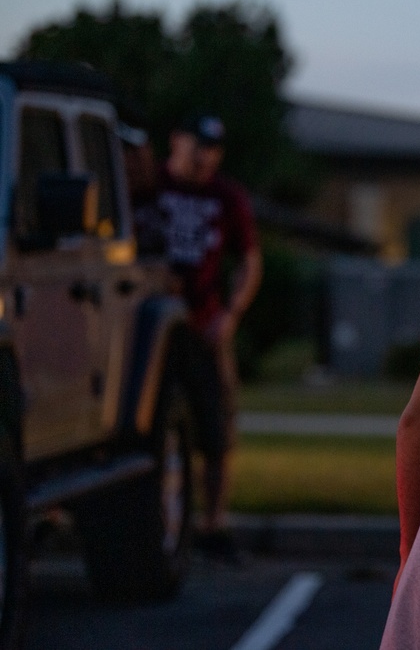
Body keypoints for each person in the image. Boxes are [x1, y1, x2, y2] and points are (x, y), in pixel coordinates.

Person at [155, 113, 263, 562]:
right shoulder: (150, 185)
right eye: (198, 145)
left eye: (214, 149)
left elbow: (249, 260)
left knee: (217, 420)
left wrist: (232, 312)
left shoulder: (226, 196)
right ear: (176, 141)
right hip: (152, 322)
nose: (206, 157)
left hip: (202, 323)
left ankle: (212, 523)